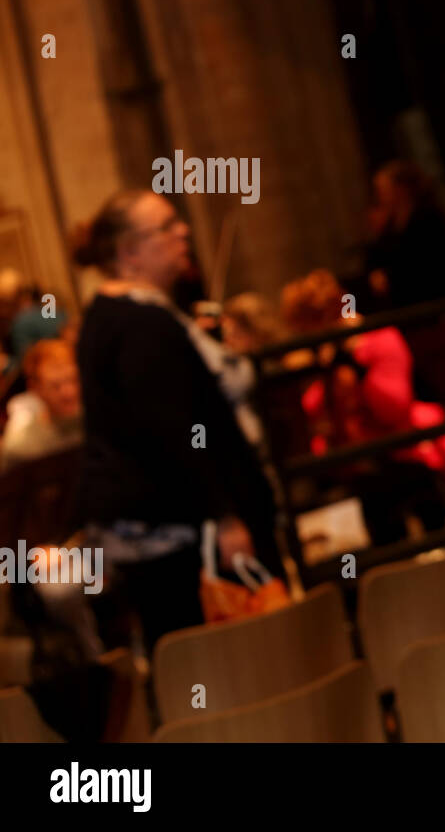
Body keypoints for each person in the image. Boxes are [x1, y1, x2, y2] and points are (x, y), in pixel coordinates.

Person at [71, 190, 281, 651]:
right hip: (185, 538)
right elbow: (178, 431)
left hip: (171, 530)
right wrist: (225, 515)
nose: (183, 230)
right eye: (165, 227)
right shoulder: (139, 324)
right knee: (235, 667)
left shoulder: (122, 315)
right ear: (129, 252)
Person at [281, 270, 445, 543]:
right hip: (354, 468)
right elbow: (313, 420)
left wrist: (354, 366)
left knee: (430, 530)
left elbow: (394, 409)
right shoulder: (318, 356)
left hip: (404, 457)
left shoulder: (379, 339)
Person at [364, 160, 445, 311]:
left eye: (382, 189)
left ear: (400, 189)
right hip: (403, 307)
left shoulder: (430, 220)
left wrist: (391, 278)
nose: (379, 196)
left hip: (435, 303)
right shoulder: (390, 226)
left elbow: (429, 266)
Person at [1, 339, 83, 469]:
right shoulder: (20, 448)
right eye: (56, 386)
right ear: (35, 388)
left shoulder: (103, 424)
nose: (69, 393)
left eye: (73, 380)